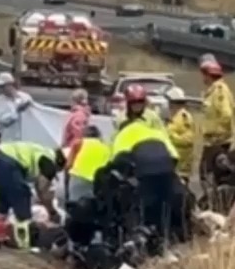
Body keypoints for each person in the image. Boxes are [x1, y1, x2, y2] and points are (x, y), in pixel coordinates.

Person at [0, 140, 63, 249]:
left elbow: (39, 189)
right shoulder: (50, 162)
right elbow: (42, 188)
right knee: (22, 194)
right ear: (60, 165)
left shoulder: (43, 152)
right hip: (4, 161)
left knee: (3, 199)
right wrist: (51, 211)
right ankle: (23, 240)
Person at [111, 84, 180, 243]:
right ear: (128, 103)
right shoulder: (122, 119)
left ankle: (161, 231)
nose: (137, 106)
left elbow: (162, 135)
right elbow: (117, 141)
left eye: (140, 102)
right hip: (133, 161)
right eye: (134, 103)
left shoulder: (152, 117)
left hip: (151, 157)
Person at [198, 57, 235, 184]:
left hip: (217, 141)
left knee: (208, 173)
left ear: (208, 75)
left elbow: (227, 114)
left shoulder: (219, 91)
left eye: (204, 75)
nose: (202, 78)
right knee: (209, 172)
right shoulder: (213, 91)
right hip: (211, 141)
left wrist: (219, 134)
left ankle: (214, 200)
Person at [66, 124, 112, 204]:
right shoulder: (106, 148)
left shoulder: (79, 143)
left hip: (78, 178)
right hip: (97, 182)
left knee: (75, 207)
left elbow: (68, 165)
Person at [0, 73, 36, 143]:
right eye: (1, 87)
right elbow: (3, 120)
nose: (3, 89)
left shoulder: (25, 97)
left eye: (5, 86)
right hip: (9, 140)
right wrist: (17, 111)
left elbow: (33, 115)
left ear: (11, 84)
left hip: (25, 139)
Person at [165, 89, 196, 184]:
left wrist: (171, 136)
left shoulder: (183, 118)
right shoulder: (175, 117)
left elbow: (188, 140)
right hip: (175, 163)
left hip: (181, 165)